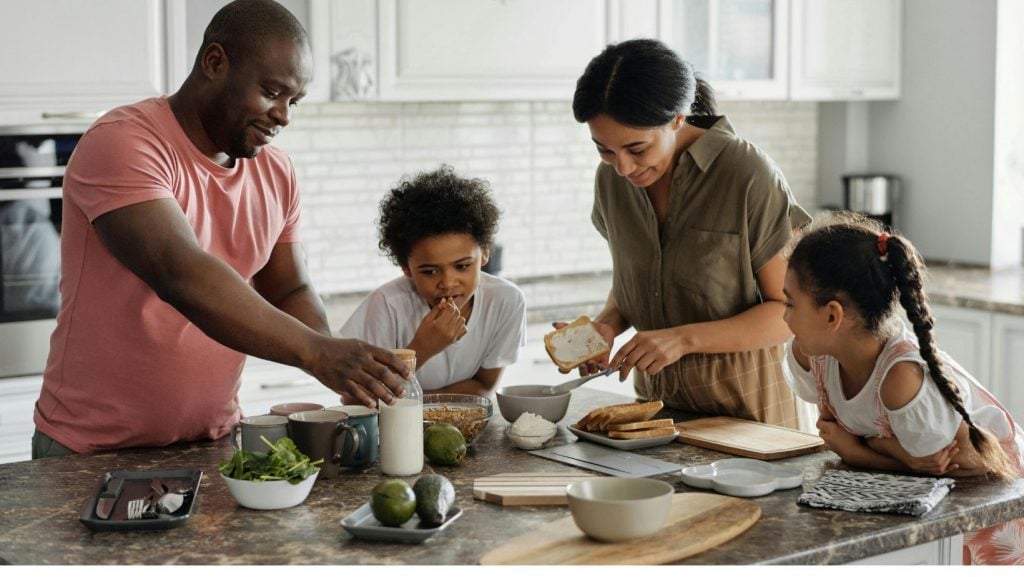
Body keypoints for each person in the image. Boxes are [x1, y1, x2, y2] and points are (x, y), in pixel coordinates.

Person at [32, 0, 409, 458]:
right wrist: (316, 352)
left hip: (213, 441)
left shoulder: (276, 172)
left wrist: (339, 364)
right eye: (272, 91)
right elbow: (181, 273)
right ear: (214, 62)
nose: (284, 115)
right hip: (91, 449)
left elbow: (289, 287)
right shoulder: (124, 141)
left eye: (294, 101)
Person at [566, 38, 811, 426]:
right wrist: (607, 326)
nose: (624, 168)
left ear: (678, 118)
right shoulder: (611, 182)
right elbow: (639, 282)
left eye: (637, 149)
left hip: (751, 417)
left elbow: (790, 313)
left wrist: (682, 339)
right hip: (657, 415)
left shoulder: (744, 173)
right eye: (605, 151)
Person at [782, 211, 1024, 565]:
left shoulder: (901, 379)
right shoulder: (813, 355)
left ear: (832, 316)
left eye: (790, 303)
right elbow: (915, 462)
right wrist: (892, 450)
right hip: (928, 501)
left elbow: (951, 466)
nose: (783, 316)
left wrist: (859, 452)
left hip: (992, 501)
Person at [339, 165, 526, 395]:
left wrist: (418, 404)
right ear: (406, 267)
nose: (447, 282)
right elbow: (354, 399)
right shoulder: (387, 305)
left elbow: (483, 386)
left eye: (462, 266)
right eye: (429, 271)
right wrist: (422, 349)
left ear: (485, 252)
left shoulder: (506, 300)